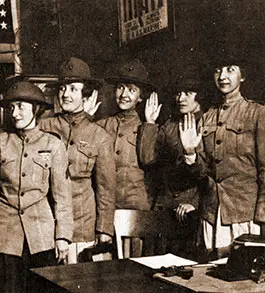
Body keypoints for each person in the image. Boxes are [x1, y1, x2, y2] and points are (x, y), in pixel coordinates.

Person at [0, 81, 73, 292]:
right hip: (4, 236)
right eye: (11, 108)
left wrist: (62, 237)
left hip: (40, 236)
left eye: (21, 107)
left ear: (35, 110)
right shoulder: (1, 140)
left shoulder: (53, 144)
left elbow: (62, 196)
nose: (15, 113)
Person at [179, 58, 265, 260]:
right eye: (217, 70)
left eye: (230, 70)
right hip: (211, 217)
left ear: (243, 76)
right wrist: (190, 154)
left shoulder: (259, 114)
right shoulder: (207, 117)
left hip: (246, 217)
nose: (222, 76)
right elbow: (201, 174)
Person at [38, 57, 116, 263]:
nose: (66, 94)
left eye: (73, 89)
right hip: (45, 223)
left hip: (82, 226)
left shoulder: (99, 136)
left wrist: (104, 230)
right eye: (63, 88)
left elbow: (106, 189)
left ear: (85, 94)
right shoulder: (43, 127)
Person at [86, 58, 156, 256]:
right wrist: (86, 121)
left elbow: (148, 159)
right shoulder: (102, 125)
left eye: (132, 90)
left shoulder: (147, 127)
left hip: (136, 212)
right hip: (105, 211)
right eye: (121, 88)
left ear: (141, 97)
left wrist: (150, 125)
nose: (124, 94)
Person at [138, 73, 207, 259]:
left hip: (191, 214)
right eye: (178, 93)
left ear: (200, 95)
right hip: (165, 210)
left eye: (188, 92)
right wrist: (150, 123)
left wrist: (196, 206)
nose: (181, 98)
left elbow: (211, 174)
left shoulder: (208, 123)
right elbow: (147, 158)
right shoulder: (170, 125)